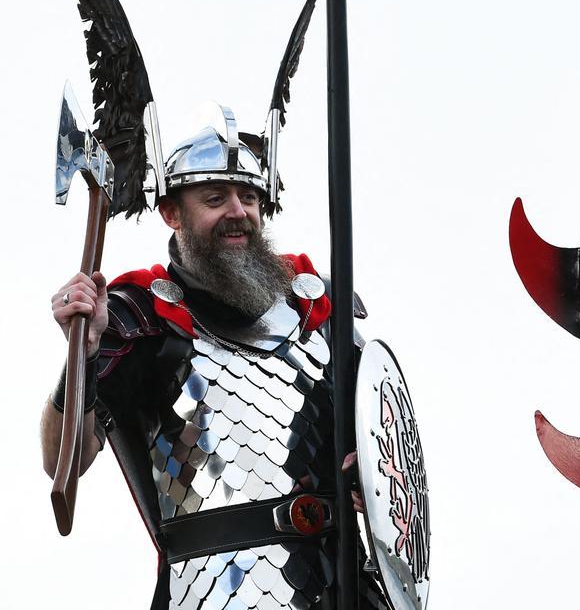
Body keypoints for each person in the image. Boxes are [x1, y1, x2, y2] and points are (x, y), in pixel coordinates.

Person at [41, 116, 386, 610]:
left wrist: (367, 482)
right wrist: (82, 354)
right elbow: (62, 460)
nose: (238, 212)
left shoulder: (319, 308)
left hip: (342, 589)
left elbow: (381, 447)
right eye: (214, 198)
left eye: (248, 197)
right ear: (172, 214)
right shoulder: (138, 317)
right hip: (211, 591)